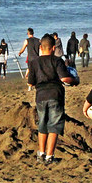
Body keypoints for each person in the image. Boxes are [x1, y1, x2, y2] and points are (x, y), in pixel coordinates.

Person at [26, 34, 78, 164]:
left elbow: (30, 83)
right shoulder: (57, 61)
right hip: (55, 95)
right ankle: (49, 156)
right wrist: (75, 80)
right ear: (53, 47)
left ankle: (41, 154)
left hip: (40, 97)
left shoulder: (33, 63)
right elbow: (64, 79)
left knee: (42, 125)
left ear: (40, 47)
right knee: (54, 126)